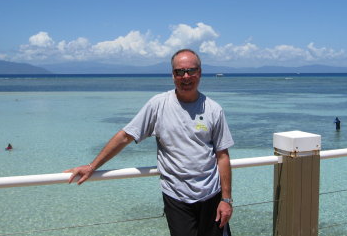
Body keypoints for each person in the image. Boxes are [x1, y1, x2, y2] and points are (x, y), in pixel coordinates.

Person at [65, 49, 234, 236]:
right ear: (173, 75)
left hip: (212, 195)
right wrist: (92, 166)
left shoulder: (214, 109)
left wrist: (226, 199)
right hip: (177, 198)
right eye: (179, 72)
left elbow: (222, 156)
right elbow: (125, 136)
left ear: (199, 73)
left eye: (191, 71)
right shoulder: (158, 105)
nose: (185, 76)